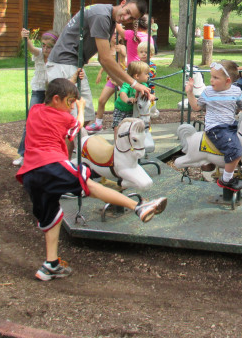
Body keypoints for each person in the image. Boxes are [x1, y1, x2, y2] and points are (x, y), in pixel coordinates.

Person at [16, 77, 166, 281]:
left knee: (52, 217)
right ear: (57, 99)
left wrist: (71, 83)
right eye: (69, 102)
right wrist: (81, 109)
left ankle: (50, 265)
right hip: (50, 165)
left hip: (30, 175)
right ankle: (138, 207)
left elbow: (55, 89)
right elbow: (76, 128)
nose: (71, 107)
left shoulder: (35, 111)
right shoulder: (65, 117)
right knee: (89, 184)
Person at [46, 0, 152, 128]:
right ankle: (57, 147)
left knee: (85, 114)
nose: (126, 18)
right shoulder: (101, 15)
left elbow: (103, 60)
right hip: (63, 65)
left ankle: (69, 148)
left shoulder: (110, 19)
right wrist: (134, 83)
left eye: (131, 19)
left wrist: (124, 87)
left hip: (74, 65)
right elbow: (106, 58)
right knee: (68, 119)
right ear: (123, 3)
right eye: (128, 12)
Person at [185, 59, 242, 193]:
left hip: (231, 125)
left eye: (215, 78)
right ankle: (226, 179)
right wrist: (190, 93)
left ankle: (239, 171)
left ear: (227, 81)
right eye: (211, 77)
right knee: (235, 151)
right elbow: (196, 107)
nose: (211, 80)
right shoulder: (208, 92)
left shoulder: (236, 92)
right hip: (216, 128)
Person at [13, 28, 58, 166]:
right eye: (43, 45)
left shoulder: (57, 57)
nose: (45, 49)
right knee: (31, 121)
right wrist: (26, 39)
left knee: (50, 123)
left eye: (49, 47)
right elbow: (32, 48)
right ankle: (23, 153)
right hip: (38, 90)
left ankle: (48, 152)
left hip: (51, 92)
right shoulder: (39, 54)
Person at [85, 38, 127, 134]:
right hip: (112, 79)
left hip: (121, 78)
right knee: (101, 100)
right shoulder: (106, 48)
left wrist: (121, 52)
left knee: (124, 100)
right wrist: (100, 73)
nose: (116, 36)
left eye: (117, 34)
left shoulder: (121, 47)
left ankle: (125, 119)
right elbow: (105, 62)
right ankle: (98, 123)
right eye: (113, 34)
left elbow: (125, 56)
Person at [112, 60, 151, 139]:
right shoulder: (127, 84)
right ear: (137, 76)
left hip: (132, 111)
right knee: (118, 127)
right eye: (146, 74)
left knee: (132, 128)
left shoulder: (143, 84)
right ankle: (117, 144)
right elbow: (122, 93)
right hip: (121, 109)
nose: (148, 75)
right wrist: (127, 100)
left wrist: (151, 96)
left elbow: (147, 93)